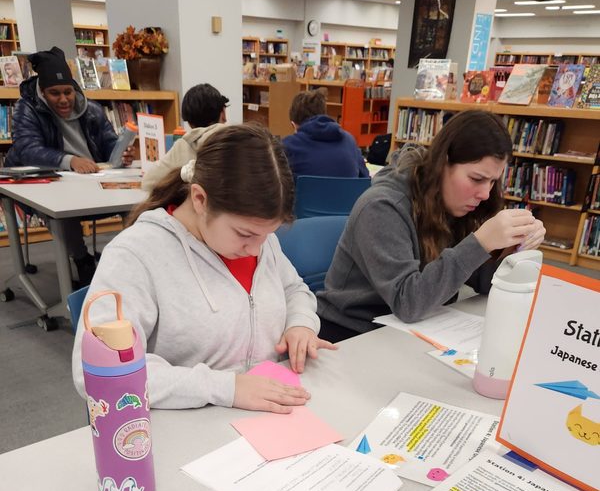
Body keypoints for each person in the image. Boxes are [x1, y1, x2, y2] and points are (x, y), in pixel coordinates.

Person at [72, 123, 336, 413]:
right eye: (245, 234)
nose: (257, 249)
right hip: (186, 426)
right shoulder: (135, 254)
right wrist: (227, 387)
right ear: (199, 199)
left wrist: (300, 323)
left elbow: (294, 289)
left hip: (267, 413)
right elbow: (97, 370)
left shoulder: (259, 241)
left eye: (267, 235)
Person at [316, 109, 546, 341]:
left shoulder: (455, 203)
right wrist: (480, 242)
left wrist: (512, 247)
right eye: (477, 179)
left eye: (493, 181)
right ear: (442, 163)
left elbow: (482, 282)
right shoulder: (381, 206)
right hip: (351, 334)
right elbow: (408, 302)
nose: (486, 193)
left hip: (415, 330)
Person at [5, 46, 133, 285]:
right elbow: (27, 149)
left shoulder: (92, 109)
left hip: (91, 181)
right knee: (63, 212)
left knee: (133, 205)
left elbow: (108, 142)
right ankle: (82, 261)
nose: (64, 100)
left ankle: (128, 260)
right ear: (42, 92)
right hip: (47, 183)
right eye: (55, 93)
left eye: (68, 92)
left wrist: (122, 154)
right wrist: (70, 161)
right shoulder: (27, 109)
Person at [141, 83, 229, 191]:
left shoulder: (183, 145)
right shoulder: (236, 140)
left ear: (189, 122)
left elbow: (148, 182)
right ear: (223, 114)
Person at [282, 89, 369, 179]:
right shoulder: (349, 141)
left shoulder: (287, 146)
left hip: (308, 192)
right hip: (348, 193)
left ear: (294, 125)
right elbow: (365, 179)